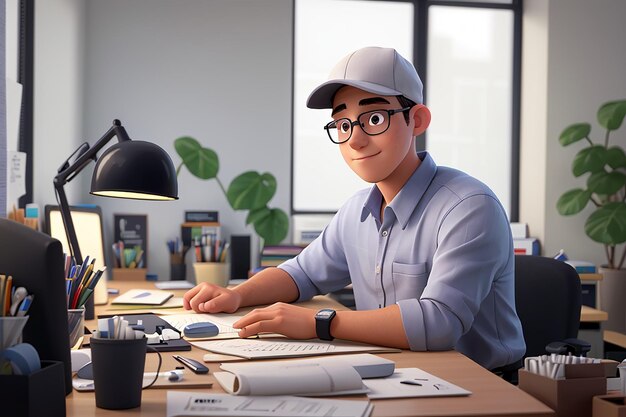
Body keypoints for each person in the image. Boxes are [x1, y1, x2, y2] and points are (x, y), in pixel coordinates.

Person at [183, 46, 525, 370]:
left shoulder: (468, 208)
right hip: (389, 372)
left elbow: (438, 323)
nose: (355, 140)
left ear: (416, 120)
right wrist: (234, 295)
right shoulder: (357, 210)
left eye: (374, 118)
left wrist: (320, 322)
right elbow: (301, 274)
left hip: (473, 383)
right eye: (344, 125)